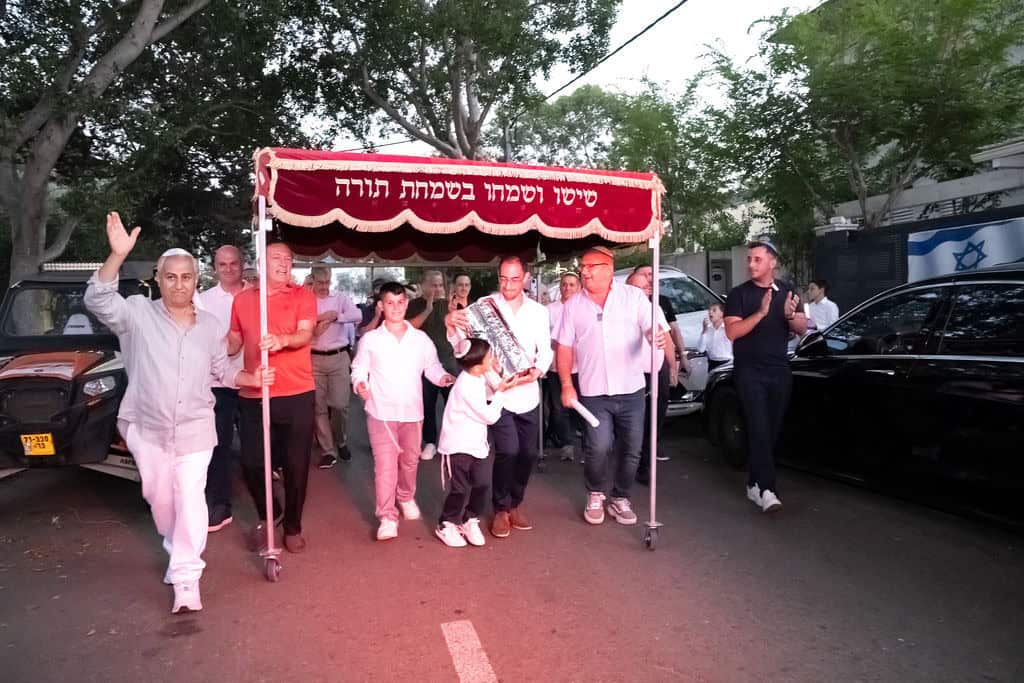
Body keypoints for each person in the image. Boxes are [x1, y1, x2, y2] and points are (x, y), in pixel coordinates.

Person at [85, 212, 271, 614]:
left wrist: (250, 378)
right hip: (146, 427)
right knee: (159, 499)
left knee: (190, 498)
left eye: (186, 277)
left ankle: (187, 576)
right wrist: (117, 256)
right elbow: (97, 300)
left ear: (196, 280)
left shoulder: (210, 326)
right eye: (170, 277)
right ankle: (175, 544)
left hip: (196, 428)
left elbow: (221, 371)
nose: (179, 284)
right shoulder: (137, 314)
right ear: (158, 279)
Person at [556, 246, 665, 526]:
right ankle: (595, 493)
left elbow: (651, 326)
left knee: (632, 448)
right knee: (598, 447)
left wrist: (654, 336)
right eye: (583, 266)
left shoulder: (633, 297)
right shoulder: (573, 305)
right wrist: (567, 384)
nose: (584, 271)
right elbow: (564, 347)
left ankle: (620, 497)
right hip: (593, 391)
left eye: (591, 266)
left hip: (631, 389)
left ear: (609, 270)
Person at [446, 255, 552, 539]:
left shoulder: (539, 312)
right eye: (503, 279)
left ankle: (516, 502)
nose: (508, 285)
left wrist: (539, 370)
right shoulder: (484, 306)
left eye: (515, 279)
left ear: (526, 278)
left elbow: (546, 350)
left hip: (528, 392)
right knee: (508, 451)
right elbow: (463, 345)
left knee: (528, 453)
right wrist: (450, 322)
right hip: (496, 392)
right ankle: (501, 508)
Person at [229, 241, 318, 554]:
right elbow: (234, 341)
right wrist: (210, 343)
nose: (284, 263)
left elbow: (305, 333)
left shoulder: (303, 296)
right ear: (261, 262)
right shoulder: (242, 300)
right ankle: (270, 514)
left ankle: (292, 525)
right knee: (252, 462)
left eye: (288, 259)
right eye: (276, 257)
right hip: (255, 390)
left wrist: (282, 340)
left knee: (296, 464)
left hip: (296, 391)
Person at [351, 282, 455, 541]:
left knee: (409, 462)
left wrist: (443, 378)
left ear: (407, 304)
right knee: (385, 467)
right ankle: (387, 516)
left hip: (412, 413)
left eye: (400, 303)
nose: (396, 308)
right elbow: (359, 368)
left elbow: (432, 367)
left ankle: (406, 496)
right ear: (381, 306)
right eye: (390, 303)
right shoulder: (371, 339)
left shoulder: (420, 339)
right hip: (381, 413)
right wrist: (360, 383)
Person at [723, 238, 807, 513]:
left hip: (779, 370)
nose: (751, 264)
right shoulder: (738, 294)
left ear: (773, 262)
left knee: (771, 429)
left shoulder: (788, 291)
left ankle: (753, 482)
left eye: (757, 259)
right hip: (749, 371)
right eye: (749, 259)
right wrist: (760, 313)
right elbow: (732, 332)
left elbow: (802, 328)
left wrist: (790, 316)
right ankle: (768, 489)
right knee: (758, 426)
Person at [434, 339, 517, 548]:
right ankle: (446, 523)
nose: (493, 359)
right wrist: (501, 393)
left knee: (482, 483)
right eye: (489, 356)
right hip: (457, 446)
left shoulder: (477, 375)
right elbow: (489, 416)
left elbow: (493, 386)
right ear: (478, 363)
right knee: (459, 489)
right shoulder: (465, 385)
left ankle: (469, 519)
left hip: (477, 444)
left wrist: (500, 381)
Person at [196, 245, 245, 533]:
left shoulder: (257, 297)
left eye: (233, 263)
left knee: (258, 448)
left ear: (242, 264)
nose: (228, 268)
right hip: (218, 385)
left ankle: (266, 501)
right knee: (218, 446)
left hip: (253, 382)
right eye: (222, 264)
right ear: (215, 268)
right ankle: (219, 504)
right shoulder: (203, 302)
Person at [309, 265, 363, 469]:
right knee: (319, 407)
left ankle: (341, 441)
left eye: (327, 282)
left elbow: (357, 315)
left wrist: (336, 316)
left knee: (340, 405)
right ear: (312, 280)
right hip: (313, 358)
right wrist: (320, 319)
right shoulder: (306, 299)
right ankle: (328, 450)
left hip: (339, 356)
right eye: (320, 282)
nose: (324, 286)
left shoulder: (340, 298)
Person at [626, 270, 676, 487]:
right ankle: (635, 462)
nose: (643, 292)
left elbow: (667, 338)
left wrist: (673, 366)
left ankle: (645, 462)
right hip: (632, 373)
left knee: (655, 418)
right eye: (638, 287)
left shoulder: (655, 308)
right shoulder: (620, 310)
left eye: (646, 288)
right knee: (634, 421)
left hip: (657, 370)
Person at [406, 270, 460, 461]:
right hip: (424, 365)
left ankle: (452, 441)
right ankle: (430, 442)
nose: (437, 288)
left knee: (453, 404)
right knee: (427, 405)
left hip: (449, 362)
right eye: (433, 285)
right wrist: (428, 309)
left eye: (439, 285)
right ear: (423, 285)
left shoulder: (449, 305)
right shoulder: (413, 305)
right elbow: (408, 329)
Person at [545, 272, 581, 462]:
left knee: (579, 406)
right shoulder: (550, 310)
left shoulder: (584, 307)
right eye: (564, 284)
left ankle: (579, 439)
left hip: (581, 367)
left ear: (579, 287)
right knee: (559, 407)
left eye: (572, 284)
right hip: (556, 367)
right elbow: (543, 337)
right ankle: (567, 444)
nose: (567, 288)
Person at [698, 302, 733, 371]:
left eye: (714, 310)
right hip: (712, 363)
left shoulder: (728, 328)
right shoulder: (708, 329)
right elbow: (701, 349)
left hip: (727, 362)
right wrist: (704, 330)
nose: (710, 312)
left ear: (722, 314)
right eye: (709, 310)